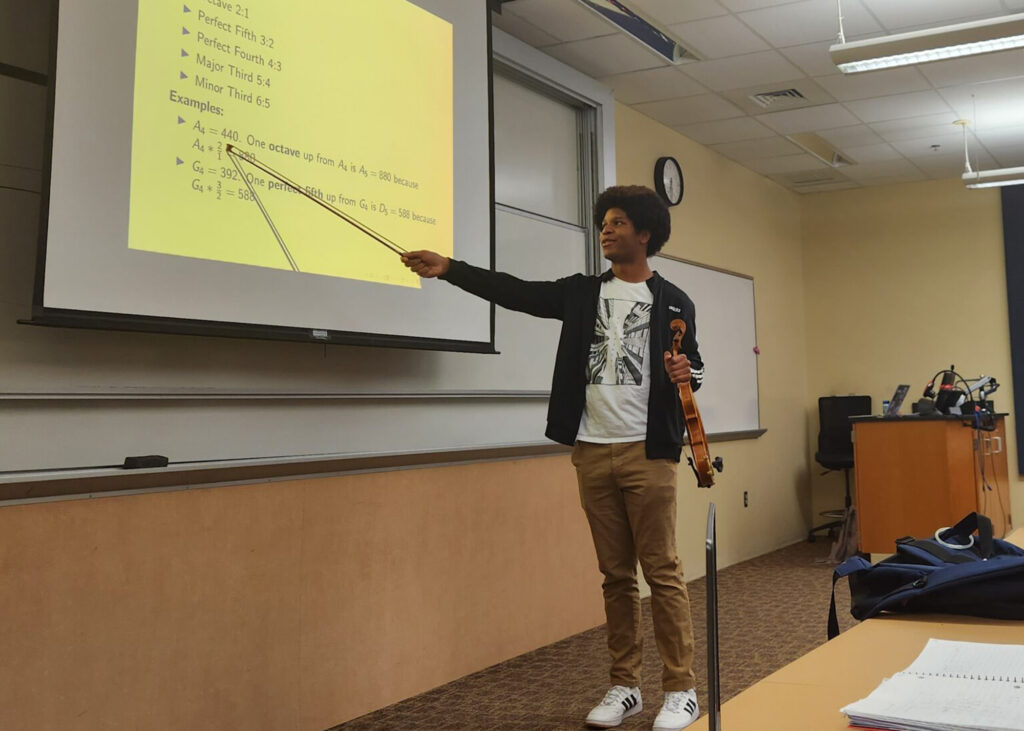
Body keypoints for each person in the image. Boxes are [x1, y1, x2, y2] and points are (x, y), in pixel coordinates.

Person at [401, 185, 704, 731]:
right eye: (603, 223)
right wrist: (450, 268)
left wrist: (688, 374)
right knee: (614, 576)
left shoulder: (675, 300)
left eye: (616, 222)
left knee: (662, 572)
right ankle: (625, 685)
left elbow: (694, 368)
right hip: (592, 450)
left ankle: (681, 690)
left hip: (649, 453)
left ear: (645, 233)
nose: (605, 230)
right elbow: (514, 291)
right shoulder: (581, 293)